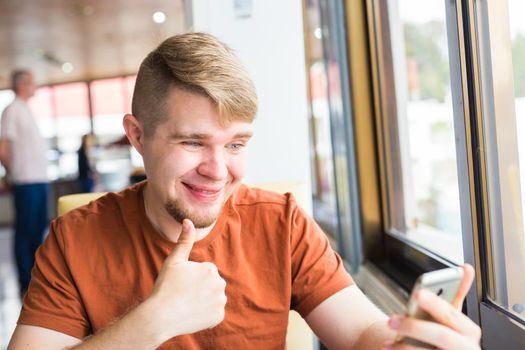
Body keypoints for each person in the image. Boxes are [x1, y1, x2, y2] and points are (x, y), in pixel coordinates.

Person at [7, 33, 481, 349]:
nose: (218, 170)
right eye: (193, 142)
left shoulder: (283, 222)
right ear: (137, 136)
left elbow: (360, 333)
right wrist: (153, 320)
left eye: (235, 143)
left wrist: (407, 341)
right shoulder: (74, 239)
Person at [0, 70, 49, 298]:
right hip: (25, 180)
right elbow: (3, 147)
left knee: (38, 230)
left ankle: (36, 278)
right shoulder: (12, 110)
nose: (35, 85)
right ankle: (25, 282)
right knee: (26, 232)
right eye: (31, 82)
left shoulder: (26, 110)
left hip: (39, 179)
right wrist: (12, 174)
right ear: (21, 84)